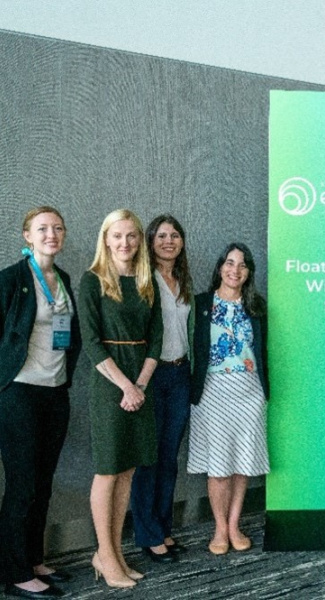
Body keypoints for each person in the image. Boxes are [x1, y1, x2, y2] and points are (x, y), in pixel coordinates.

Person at [0, 207, 81, 599]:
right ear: (27, 236)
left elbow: (69, 335)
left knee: (43, 483)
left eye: (58, 228)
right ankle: (14, 573)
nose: (52, 234)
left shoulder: (62, 280)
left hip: (55, 392)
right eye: (43, 229)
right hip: (19, 393)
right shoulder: (12, 280)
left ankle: (34, 559)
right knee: (22, 484)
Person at [79, 209, 162, 589]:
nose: (125, 243)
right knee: (108, 470)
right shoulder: (92, 280)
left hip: (139, 384)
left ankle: (114, 552)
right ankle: (105, 555)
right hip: (108, 382)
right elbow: (92, 344)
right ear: (106, 239)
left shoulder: (147, 281)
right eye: (117, 236)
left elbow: (156, 338)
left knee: (128, 470)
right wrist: (126, 387)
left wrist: (140, 386)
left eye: (131, 236)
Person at [188, 242, 269, 555]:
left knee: (242, 464)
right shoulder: (201, 304)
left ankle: (234, 524)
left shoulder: (256, 307)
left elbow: (263, 352)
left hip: (249, 392)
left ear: (249, 272)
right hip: (213, 392)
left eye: (243, 265)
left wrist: (265, 390)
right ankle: (219, 528)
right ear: (220, 266)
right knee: (219, 466)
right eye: (230, 263)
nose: (235, 270)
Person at [130, 215, 194, 563]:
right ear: (150, 240)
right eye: (162, 235)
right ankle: (148, 534)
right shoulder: (143, 279)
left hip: (180, 375)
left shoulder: (182, 279)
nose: (169, 241)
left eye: (175, 235)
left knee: (169, 459)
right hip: (150, 377)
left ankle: (164, 528)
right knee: (148, 459)